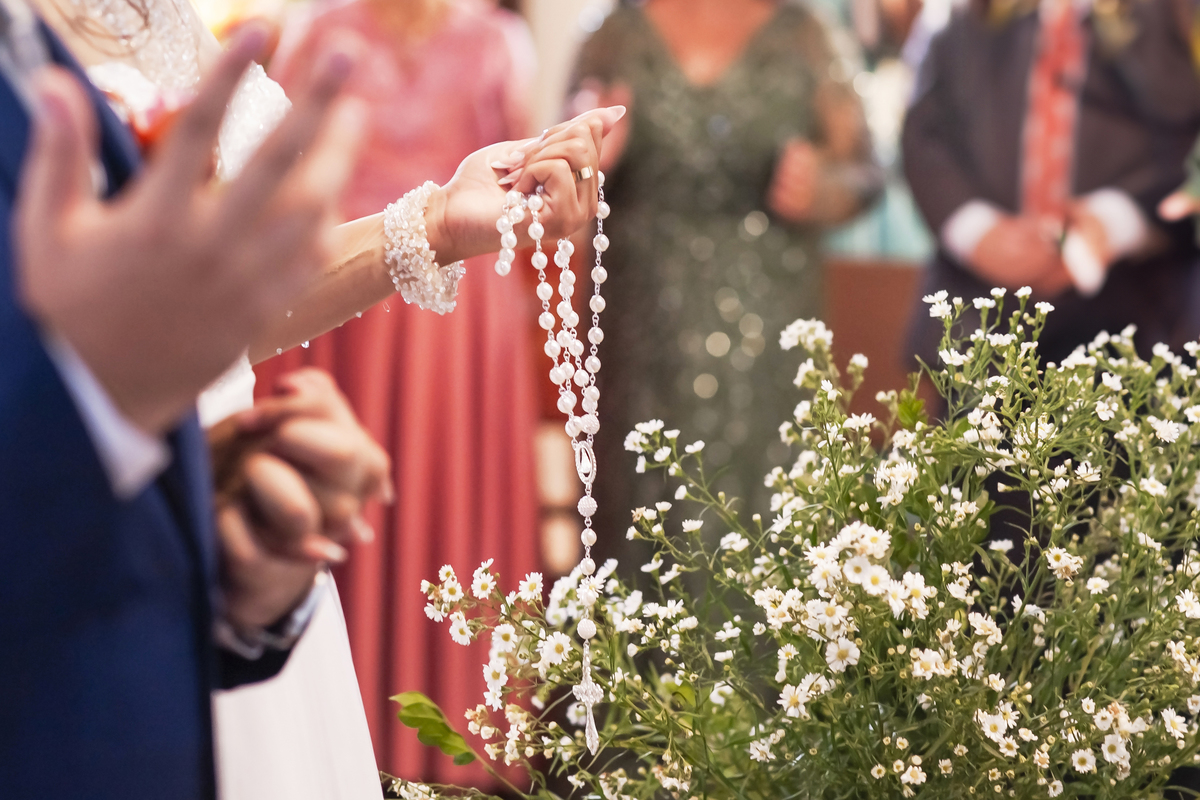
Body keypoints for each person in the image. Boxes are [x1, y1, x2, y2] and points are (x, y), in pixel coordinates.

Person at [3, 2, 613, 798]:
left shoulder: (159, 19)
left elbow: (214, 315)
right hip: (60, 593)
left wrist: (432, 224)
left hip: (233, 574)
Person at [254, 0, 542, 783]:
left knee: (451, 503)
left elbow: (516, 168)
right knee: (348, 515)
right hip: (345, 305)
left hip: (459, 326)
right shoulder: (320, 33)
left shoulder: (495, 42)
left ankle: (456, 739)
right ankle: (353, 730)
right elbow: (275, 175)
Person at [569, 0, 882, 565]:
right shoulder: (613, 35)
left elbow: (866, 171)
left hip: (769, 334)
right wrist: (583, 159)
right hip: (641, 333)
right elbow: (559, 166)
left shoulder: (805, 35)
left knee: (768, 516)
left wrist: (822, 188)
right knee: (642, 517)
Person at [901, 0, 1200, 368]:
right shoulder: (958, 16)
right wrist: (976, 231)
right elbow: (924, 136)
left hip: (1142, 324)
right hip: (977, 322)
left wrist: (1121, 220)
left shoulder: (1176, 12)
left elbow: (1188, 141)